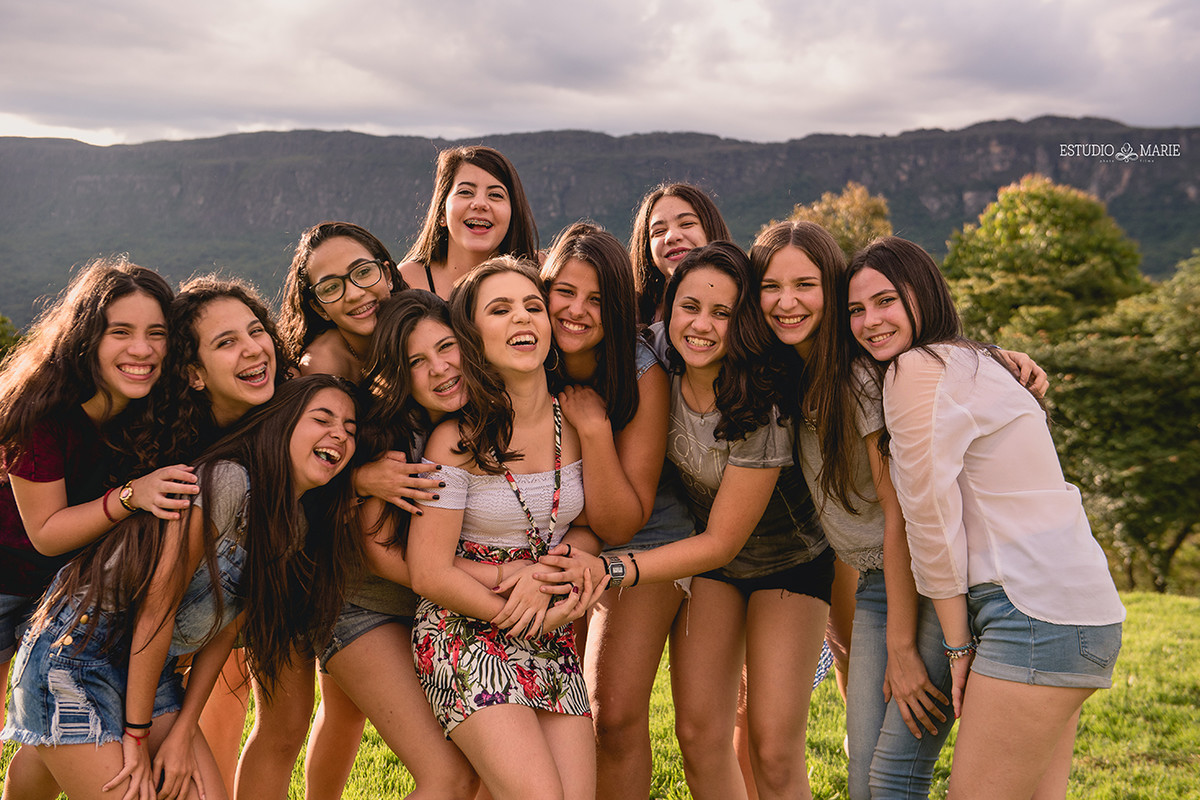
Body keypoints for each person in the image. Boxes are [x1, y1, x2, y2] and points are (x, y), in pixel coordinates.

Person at [547, 242, 834, 800]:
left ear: (744, 321)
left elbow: (723, 542)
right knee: (700, 735)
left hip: (787, 565)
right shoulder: (655, 354)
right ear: (668, 308)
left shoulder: (763, 400)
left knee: (772, 747)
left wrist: (613, 569)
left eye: (722, 313)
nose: (701, 326)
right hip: (711, 571)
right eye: (689, 307)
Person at [843, 236, 1124, 800]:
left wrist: (956, 647)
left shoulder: (915, 369)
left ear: (922, 295)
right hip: (1070, 614)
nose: (870, 321)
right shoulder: (972, 362)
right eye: (856, 310)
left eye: (885, 301)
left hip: (1031, 615)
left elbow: (928, 516)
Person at [1, 375, 361, 800]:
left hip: (152, 674)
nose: (338, 433)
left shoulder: (293, 527)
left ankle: (53, 748)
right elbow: (158, 607)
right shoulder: (227, 482)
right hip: (77, 654)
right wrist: (138, 739)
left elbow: (225, 630)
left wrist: (183, 729)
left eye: (350, 430)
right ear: (280, 423)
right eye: (322, 419)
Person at [407, 257, 605, 800]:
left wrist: (550, 579)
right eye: (500, 309)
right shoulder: (457, 440)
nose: (524, 318)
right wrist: (520, 610)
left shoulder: (578, 424)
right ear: (473, 337)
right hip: (465, 629)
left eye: (533, 306)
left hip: (549, 630)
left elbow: (587, 529)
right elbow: (427, 571)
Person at [0, 257, 197, 798]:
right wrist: (131, 497)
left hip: (69, 589)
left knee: (45, 731)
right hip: (7, 575)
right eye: (122, 332)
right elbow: (46, 531)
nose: (143, 349)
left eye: (156, 333)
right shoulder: (40, 409)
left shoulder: (155, 408)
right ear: (87, 337)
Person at [316, 289, 479, 798]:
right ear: (400, 375)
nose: (439, 369)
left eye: (447, 348)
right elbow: (377, 552)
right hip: (365, 608)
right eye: (416, 362)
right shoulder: (391, 436)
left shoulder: (491, 416)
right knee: (449, 776)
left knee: (485, 768)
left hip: (441, 610)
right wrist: (472, 582)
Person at [537, 221, 673, 797]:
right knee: (537, 707)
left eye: (596, 299)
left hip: (647, 536)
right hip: (554, 533)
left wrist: (593, 429)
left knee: (612, 711)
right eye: (564, 292)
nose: (576, 310)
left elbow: (622, 521)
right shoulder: (526, 354)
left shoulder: (643, 373)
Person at [400, 145, 539, 298]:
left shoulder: (541, 271)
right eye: (465, 192)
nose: (480, 204)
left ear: (513, 213)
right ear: (441, 213)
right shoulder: (407, 281)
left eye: (495, 195)